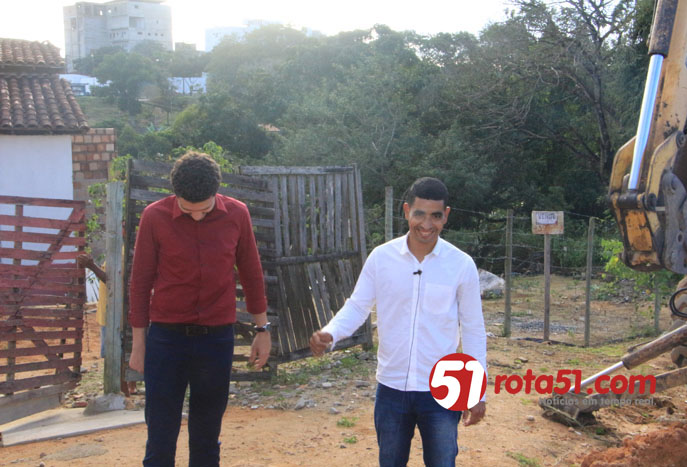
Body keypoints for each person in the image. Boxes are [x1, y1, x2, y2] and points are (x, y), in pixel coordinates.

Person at [309, 177, 487, 467]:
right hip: (391, 388)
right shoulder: (381, 258)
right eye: (419, 214)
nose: (426, 224)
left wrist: (477, 390)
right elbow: (358, 306)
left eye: (435, 216)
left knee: (443, 462)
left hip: (444, 388)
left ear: (446, 216)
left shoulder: (461, 264)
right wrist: (331, 332)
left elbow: (473, 329)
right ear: (406, 211)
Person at [128, 151, 270, 467]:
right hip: (166, 340)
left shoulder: (237, 214)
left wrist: (262, 329)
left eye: (203, 210)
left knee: (207, 437)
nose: (195, 216)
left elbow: (251, 273)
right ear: (175, 195)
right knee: (160, 436)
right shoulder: (154, 216)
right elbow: (140, 282)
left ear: (216, 194)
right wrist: (139, 344)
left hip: (215, 340)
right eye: (186, 210)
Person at [76, 253, 137, 395]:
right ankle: (130, 387)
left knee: (116, 355)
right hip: (114, 311)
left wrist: (92, 266)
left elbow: (114, 282)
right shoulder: (121, 252)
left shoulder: (121, 253)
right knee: (125, 351)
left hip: (115, 314)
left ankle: (123, 393)